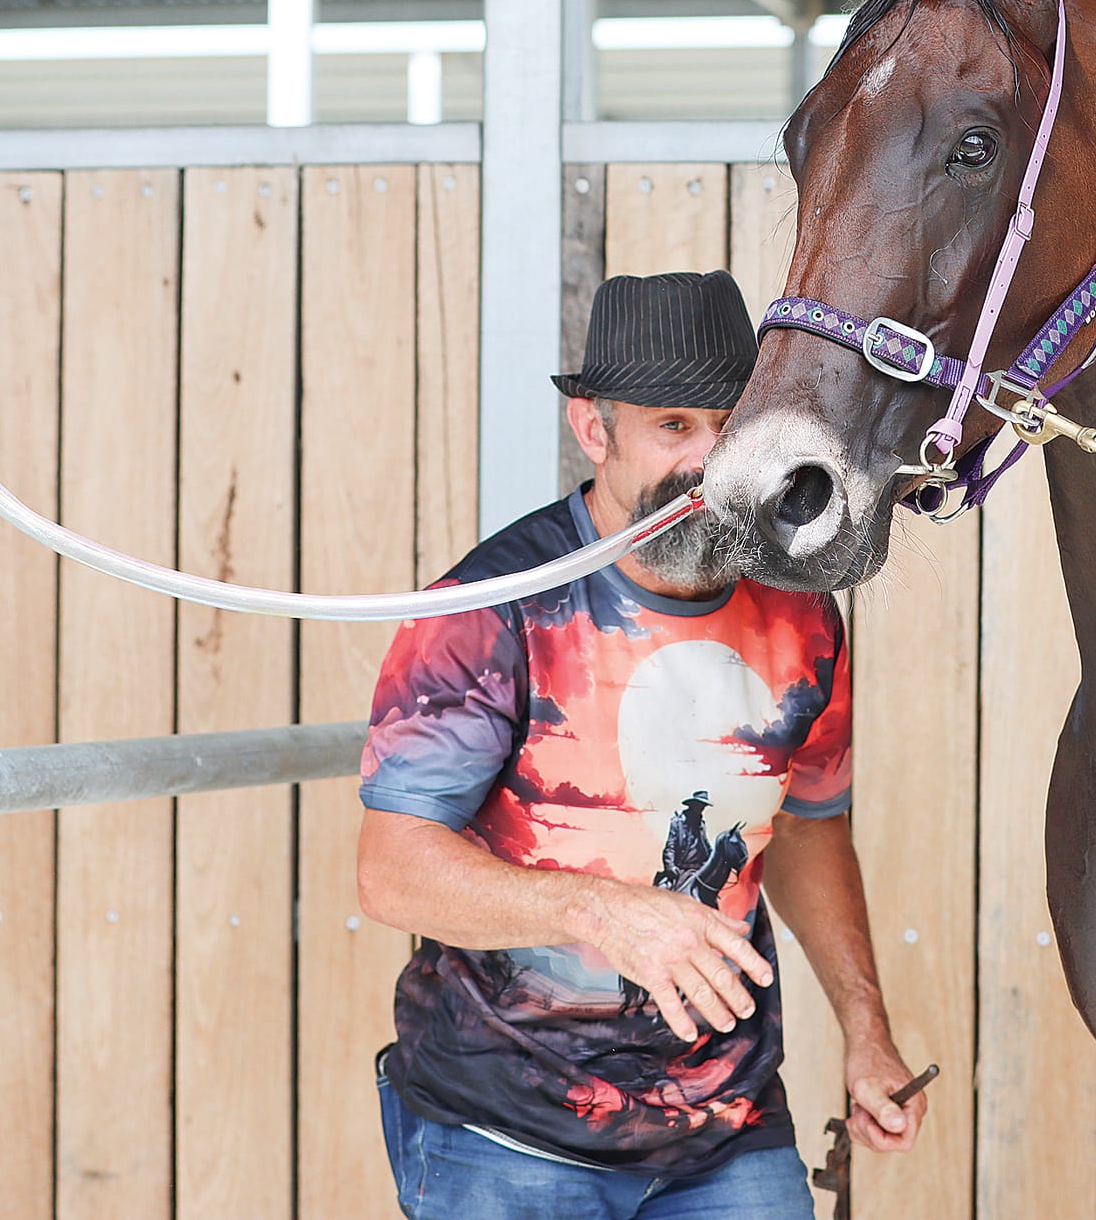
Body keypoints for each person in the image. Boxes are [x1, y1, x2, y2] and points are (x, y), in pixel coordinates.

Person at [356, 269, 926, 1219]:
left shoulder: (804, 615)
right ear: (594, 429)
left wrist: (867, 1032)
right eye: (672, 425)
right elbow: (390, 872)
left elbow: (808, 827)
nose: (708, 460)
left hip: (730, 1127)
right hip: (502, 1130)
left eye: (729, 425)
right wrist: (603, 913)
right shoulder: (486, 609)